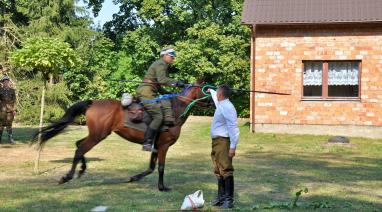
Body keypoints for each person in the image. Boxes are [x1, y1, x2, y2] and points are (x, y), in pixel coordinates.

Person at [136, 47, 184, 152]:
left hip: (150, 91)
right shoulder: (161, 64)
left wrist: (169, 94)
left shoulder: (160, 64)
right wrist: (176, 82)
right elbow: (162, 80)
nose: (173, 59)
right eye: (172, 56)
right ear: (165, 55)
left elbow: (157, 85)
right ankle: (147, 143)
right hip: (146, 92)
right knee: (158, 115)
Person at [208, 85, 239, 209]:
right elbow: (216, 99)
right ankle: (221, 198)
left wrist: (232, 147)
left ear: (221, 94)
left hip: (223, 142)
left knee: (225, 169)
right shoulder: (221, 104)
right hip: (216, 142)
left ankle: (229, 200)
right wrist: (211, 90)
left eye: (217, 93)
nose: (216, 96)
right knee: (218, 169)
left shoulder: (228, 107)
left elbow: (234, 128)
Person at [0, 76, 17, 144]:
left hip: (10, 109)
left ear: (9, 82)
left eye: (7, 81)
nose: (6, 82)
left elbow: (15, 100)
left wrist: (14, 110)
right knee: (1, 124)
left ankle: (10, 138)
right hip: (2, 109)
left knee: (9, 124)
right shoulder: (0, 90)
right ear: (3, 82)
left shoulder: (12, 90)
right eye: (4, 81)